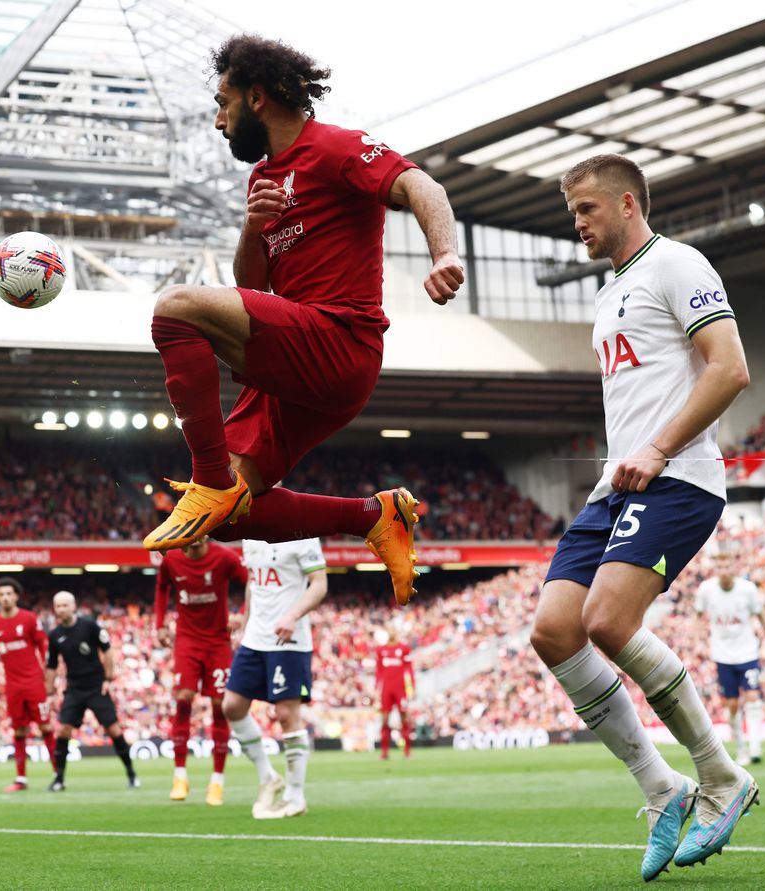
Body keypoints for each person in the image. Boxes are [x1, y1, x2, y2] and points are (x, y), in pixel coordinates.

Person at [142, 35, 464, 607]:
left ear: (257, 97)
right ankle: (375, 513)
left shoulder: (337, 148)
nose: (219, 121)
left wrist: (445, 254)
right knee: (228, 521)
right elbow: (252, 291)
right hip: (291, 366)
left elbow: (422, 184)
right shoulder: (263, 178)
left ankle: (210, 479)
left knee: (174, 309)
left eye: (223, 102)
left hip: (339, 342)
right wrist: (250, 230)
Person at [529, 153, 755, 881]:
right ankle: (662, 789)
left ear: (628, 204)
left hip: (678, 477)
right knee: (554, 628)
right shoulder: (612, 293)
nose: (578, 224)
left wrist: (657, 448)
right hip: (617, 486)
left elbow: (729, 367)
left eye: (587, 210)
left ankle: (722, 774)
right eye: (573, 213)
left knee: (607, 621)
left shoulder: (678, 265)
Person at [223, 537, 327, 819]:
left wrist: (292, 616)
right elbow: (252, 582)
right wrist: (245, 623)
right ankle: (268, 777)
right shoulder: (249, 530)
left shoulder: (304, 529)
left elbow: (319, 583)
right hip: (256, 637)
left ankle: (295, 795)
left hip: (289, 639)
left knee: (286, 713)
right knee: (231, 705)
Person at [155, 535, 248, 805]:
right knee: (183, 700)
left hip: (218, 641)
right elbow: (161, 588)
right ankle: (180, 776)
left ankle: (217, 781)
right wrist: (160, 624)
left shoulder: (225, 557)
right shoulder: (171, 559)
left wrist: (243, 612)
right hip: (187, 641)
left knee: (220, 706)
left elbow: (251, 580)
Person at [44, 591, 138, 791]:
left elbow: (107, 650)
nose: (61, 609)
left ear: (73, 606)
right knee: (63, 730)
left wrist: (108, 678)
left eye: (64, 605)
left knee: (114, 729)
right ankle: (59, 779)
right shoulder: (54, 635)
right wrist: (49, 690)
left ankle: (131, 774)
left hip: (96, 687)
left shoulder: (90, 626)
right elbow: (51, 665)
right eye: (57, 606)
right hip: (74, 689)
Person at [0, 577, 56, 792]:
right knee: (19, 731)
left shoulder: (29, 618)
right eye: (1, 595)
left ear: (16, 596)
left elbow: (43, 644)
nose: (6, 598)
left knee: (45, 726)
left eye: (9, 593)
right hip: (13, 686)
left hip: (34, 683)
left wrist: (49, 674)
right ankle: (21, 779)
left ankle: (58, 774)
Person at [695, 550, 765, 766]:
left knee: (753, 698)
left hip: (747, 652)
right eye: (719, 567)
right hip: (722, 655)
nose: (724, 571)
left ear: (733, 567)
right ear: (715, 569)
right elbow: (697, 615)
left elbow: (761, 615)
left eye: (727, 566)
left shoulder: (747, 590)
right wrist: (697, 640)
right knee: (732, 705)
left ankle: (755, 747)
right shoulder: (706, 590)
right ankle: (741, 748)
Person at [375, 628, 415, 759]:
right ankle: (384, 752)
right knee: (385, 721)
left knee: (404, 719)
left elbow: (409, 669)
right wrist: (376, 689)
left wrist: (412, 688)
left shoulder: (404, 648)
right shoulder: (381, 650)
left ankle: (407, 751)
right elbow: (378, 671)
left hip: (400, 689)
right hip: (386, 690)